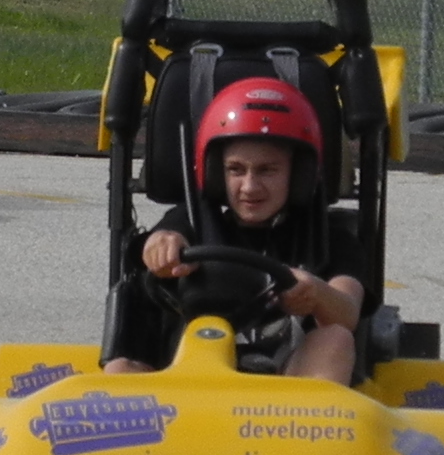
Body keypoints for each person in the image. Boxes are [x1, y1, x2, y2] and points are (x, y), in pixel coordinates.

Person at [102, 77, 363, 382]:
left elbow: (348, 311)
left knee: (335, 338)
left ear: (299, 174)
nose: (250, 187)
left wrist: (318, 293)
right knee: (119, 367)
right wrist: (161, 248)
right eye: (236, 170)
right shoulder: (192, 220)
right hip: (183, 383)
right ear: (216, 172)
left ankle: (304, 411)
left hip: (283, 389)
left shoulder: (328, 238)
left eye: (267, 170)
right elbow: (160, 241)